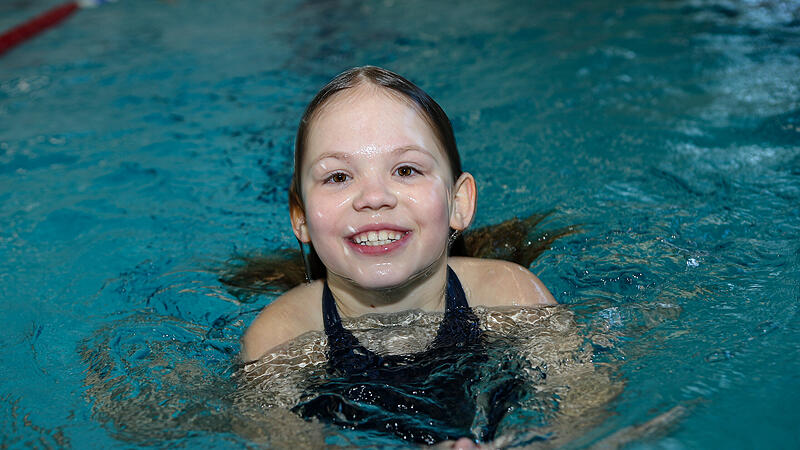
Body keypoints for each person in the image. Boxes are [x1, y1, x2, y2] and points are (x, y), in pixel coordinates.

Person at [239, 66, 557, 447]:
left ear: (458, 203)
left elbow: (583, 410)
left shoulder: (511, 295)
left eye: (406, 170)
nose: (374, 197)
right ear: (301, 217)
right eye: (338, 177)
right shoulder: (280, 338)